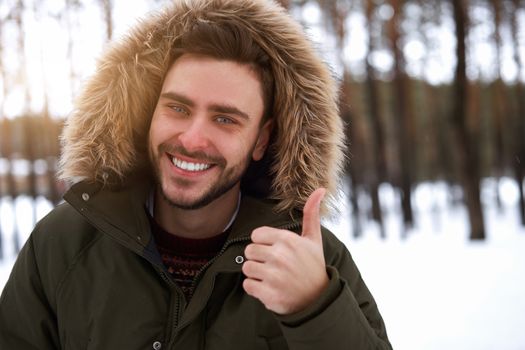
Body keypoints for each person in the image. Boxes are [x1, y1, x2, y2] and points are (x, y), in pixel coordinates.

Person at [0, 0, 392, 349]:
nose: (192, 138)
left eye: (225, 118)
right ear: (149, 114)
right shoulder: (65, 242)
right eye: (178, 109)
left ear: (261, 139)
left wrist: (315, 308)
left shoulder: (312, 262)